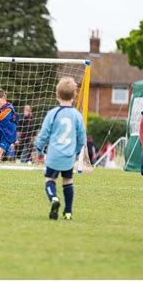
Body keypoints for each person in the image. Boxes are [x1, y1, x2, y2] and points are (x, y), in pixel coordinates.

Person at [35, 77, 85, 220]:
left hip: (54, 155)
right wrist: (75, 153)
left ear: (57, 95)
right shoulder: (77, 115)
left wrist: (39, 150)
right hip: (68, 156)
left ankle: (54, 199)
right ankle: (68, 212)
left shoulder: (53, 113)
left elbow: (43, 135)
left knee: (49, 178)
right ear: (75, 95)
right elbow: (81, 138)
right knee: (68, 181)